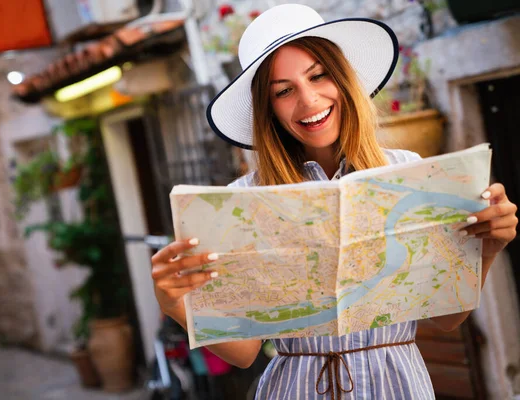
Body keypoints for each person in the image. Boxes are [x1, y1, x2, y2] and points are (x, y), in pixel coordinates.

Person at [151, 4, 518, 399]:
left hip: (396, 384)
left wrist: (486, 249)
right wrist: (176, 304)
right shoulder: (244, 201)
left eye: (318, 75)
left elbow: (448, 317)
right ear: (268, 109)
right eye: (284, 91)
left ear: (342, 78)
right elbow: (243, 353)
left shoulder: (406, 173)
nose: (308, 100)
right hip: (297, 388)